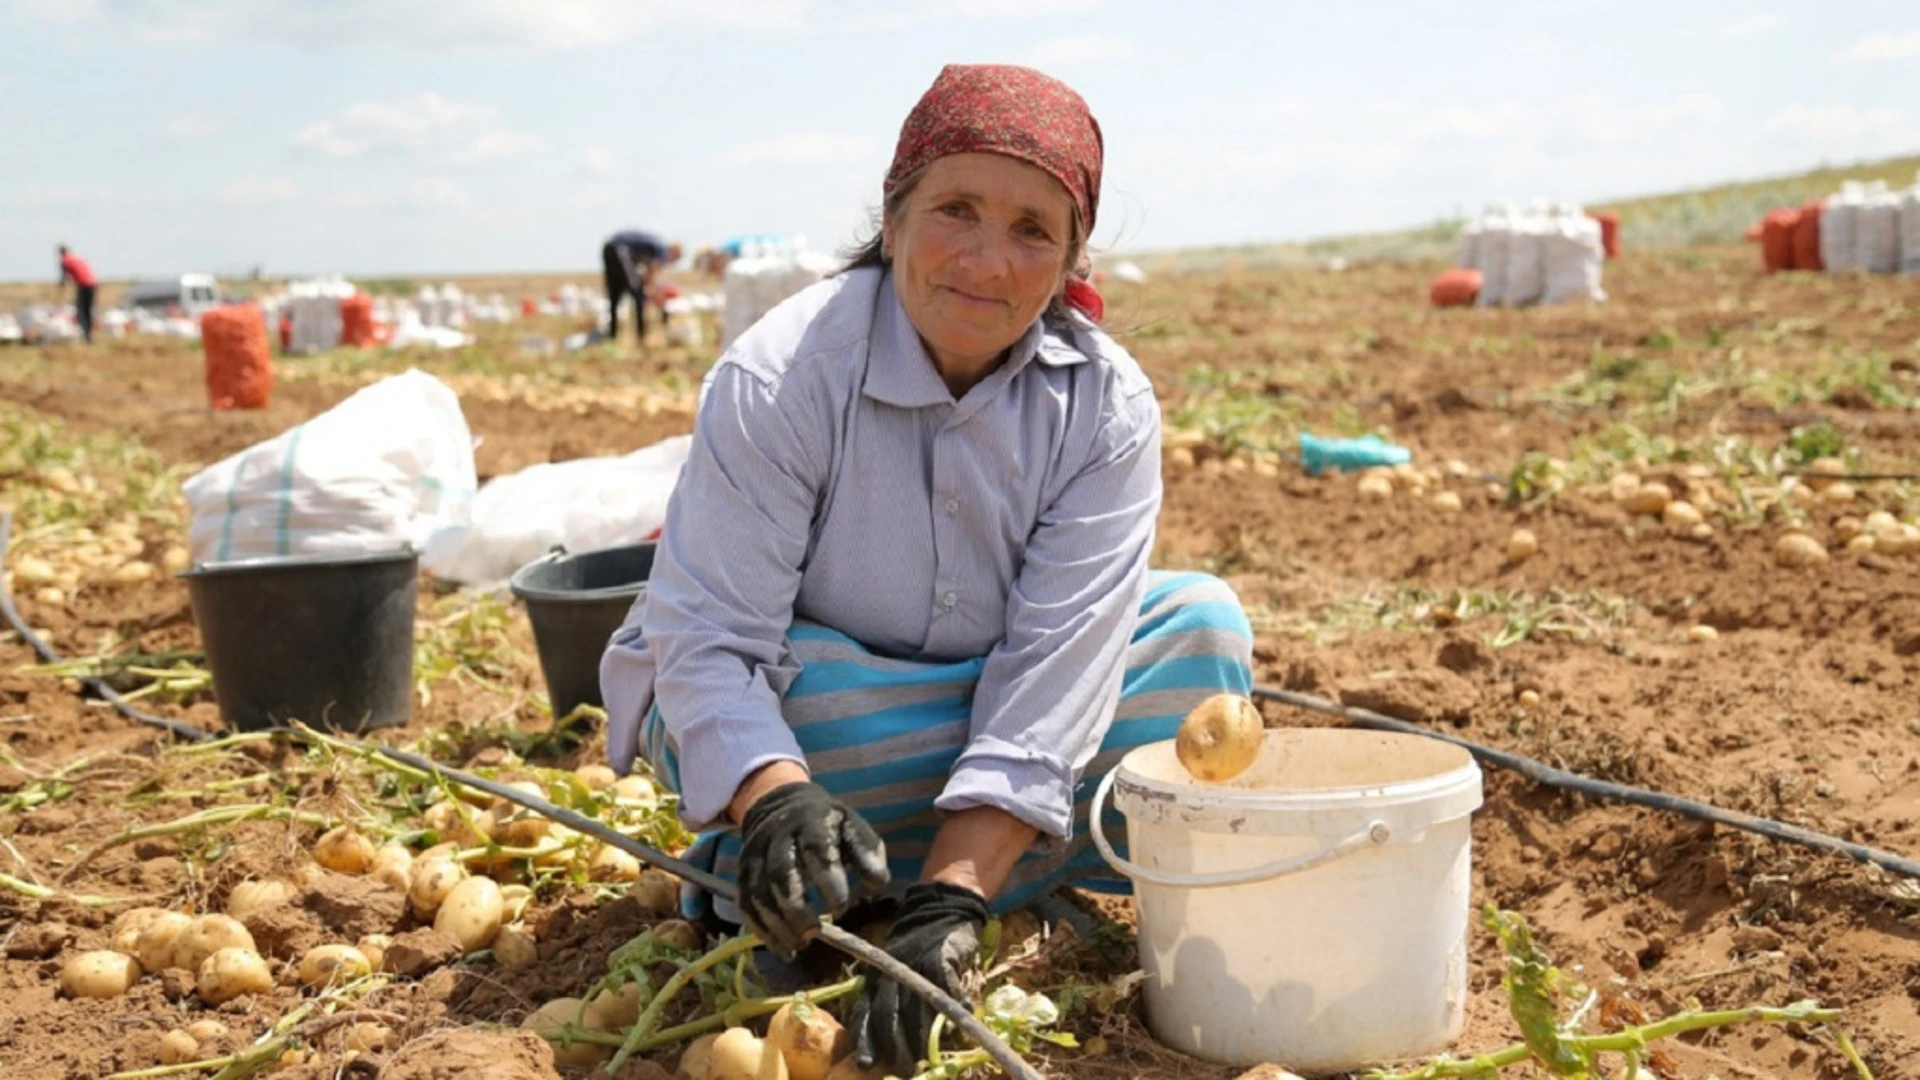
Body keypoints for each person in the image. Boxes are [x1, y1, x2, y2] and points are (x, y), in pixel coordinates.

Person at [599, 64, 1253, 1075]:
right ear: (894, 215)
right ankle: (817, 851)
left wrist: (951, 901)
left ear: (1072, 256)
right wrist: (774, 796)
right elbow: (712, 638)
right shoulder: (784, 375)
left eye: (1034, 229)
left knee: (1201, 635)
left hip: (993, 711)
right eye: (957, 210)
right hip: (829, 713)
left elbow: (1058, 665)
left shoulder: (1105, 406)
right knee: (788, 709)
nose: (988, 261)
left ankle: (916, 886)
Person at [601, 229, 682, 343]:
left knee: (615, 293)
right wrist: (652, 291)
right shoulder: (661, 249)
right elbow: (652, 273)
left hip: (609, 248)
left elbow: (644, 273)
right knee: (637, 293)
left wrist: (647, 286)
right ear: (673, 252)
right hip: (620, 250)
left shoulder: (652, 245)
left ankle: (612, 336)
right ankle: (641, 335)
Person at [57, 245, 97, 344]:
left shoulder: (65, 260)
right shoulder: (77, 258)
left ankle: (85, 336)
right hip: (93, 283)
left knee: (81, 311)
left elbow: (64, 278)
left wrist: (60, 288)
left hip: (83, 285)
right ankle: (89, 335)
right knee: (88, 310)